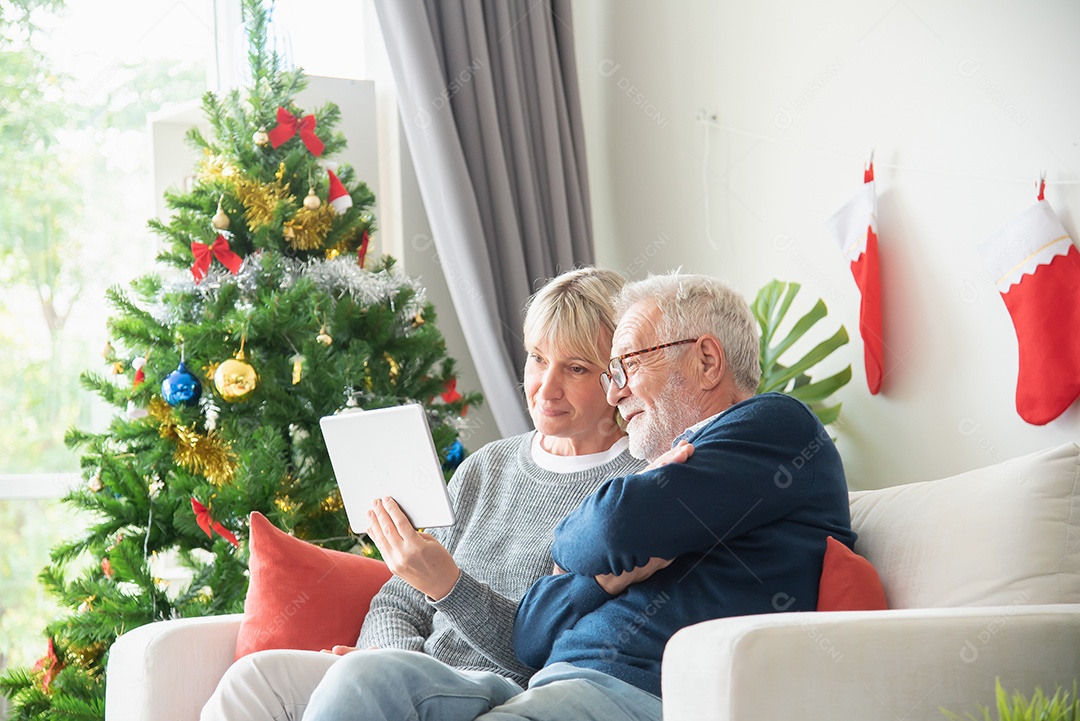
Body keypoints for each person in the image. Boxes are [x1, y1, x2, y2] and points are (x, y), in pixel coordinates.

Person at [303, 271, 854, 721]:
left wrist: (626, 515)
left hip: (638, 690)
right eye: (611, 371)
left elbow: (610, 530)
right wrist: (604, 565)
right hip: (550, 684)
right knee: (360, 680)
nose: (617, 391)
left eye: (626, 366)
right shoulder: (667, 470)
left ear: (707, 361)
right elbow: (533, 628)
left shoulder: (772, 425)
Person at [200, 267, 646, 720]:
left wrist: (448, 587)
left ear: (618, 377)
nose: (545, 388)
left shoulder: (634, 489)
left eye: (575, 368)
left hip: (506, 692)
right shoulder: (486, 466)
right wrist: (388, 657)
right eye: (537, 358)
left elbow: (554, 654)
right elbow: (398, 598)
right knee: (253, 681)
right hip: (420, 675)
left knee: (365, 679)